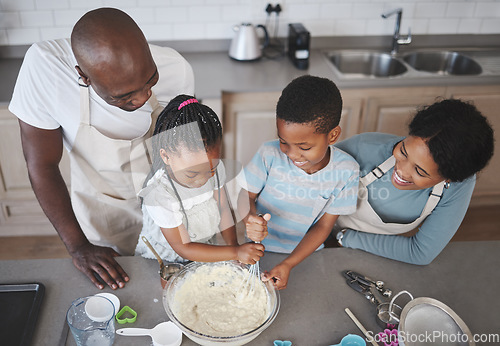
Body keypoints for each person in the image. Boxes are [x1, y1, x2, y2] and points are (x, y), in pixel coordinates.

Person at [8, 8, 194, 290]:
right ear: (83, 76)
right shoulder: (46, 69)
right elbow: (41, 165)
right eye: (125, 96)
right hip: (101, 216)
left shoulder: (176, 68)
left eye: (150, 80)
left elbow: (183, 148)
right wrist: (79, 247)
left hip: (165, 208)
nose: (144, 97)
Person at [331, 98, 495, 265]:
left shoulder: (457, 186)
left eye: (420, 171)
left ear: (448, 178)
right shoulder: (364, 147)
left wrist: (345, 238)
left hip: (359, 251)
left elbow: (420, 252)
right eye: (403, 151)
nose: (402, 170)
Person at [237, 75, 360, 290]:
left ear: (333, 135)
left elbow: (323, 227)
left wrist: (289, 264)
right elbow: (245, 195)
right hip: (256, 247)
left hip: (303, 254)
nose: (292, 155)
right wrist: (249, 217)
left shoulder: (346, 172)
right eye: (284, 142)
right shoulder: (269, 153)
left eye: (304, 147)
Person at [135, 95, 264, 264]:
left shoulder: (215, 169)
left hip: (203, 247)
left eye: (210, 171)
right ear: (166, 156)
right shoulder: (158, 195)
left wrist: (234, 245)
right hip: (165, 258)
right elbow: (183, 247)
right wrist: (235, 252)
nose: (202, 180)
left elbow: (223, 208)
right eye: (191, 174)